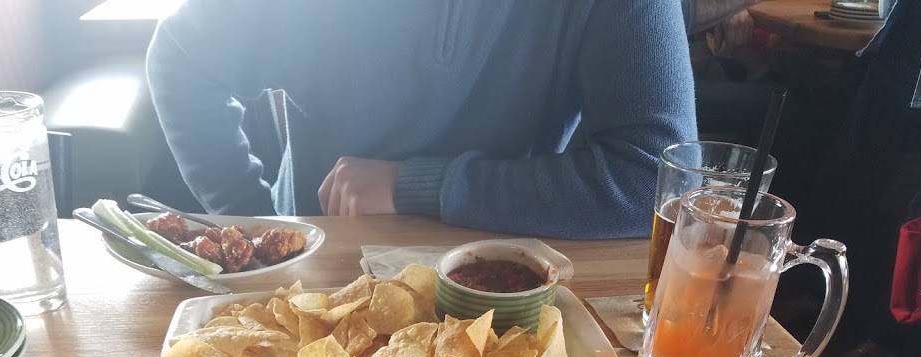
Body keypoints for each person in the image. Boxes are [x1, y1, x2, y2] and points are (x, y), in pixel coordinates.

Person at [146, 0, 696, 239]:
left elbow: (654, 180)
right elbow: (181, 58)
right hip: (320, 263)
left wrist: (416, 186)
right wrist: (255, 225)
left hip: (520, 258)